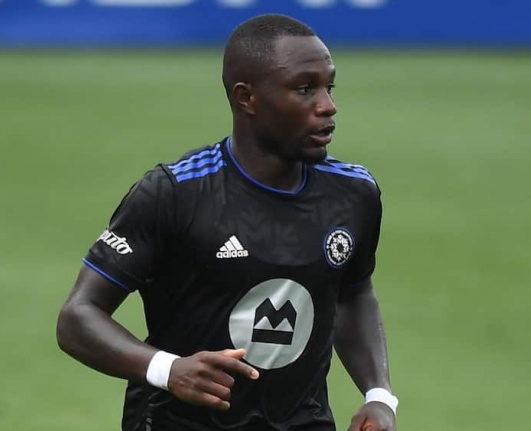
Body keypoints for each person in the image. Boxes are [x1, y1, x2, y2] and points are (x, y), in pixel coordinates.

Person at [56, 13, 398, 431]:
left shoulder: (354, 193)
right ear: (246, 98)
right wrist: (169, 369)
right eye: (305, 89)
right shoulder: (174, 193)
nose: (327, 105)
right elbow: (78, 317)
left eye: (330, 86)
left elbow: (353, 293)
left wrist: (379, 396)